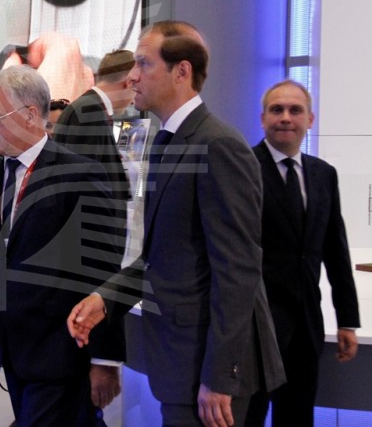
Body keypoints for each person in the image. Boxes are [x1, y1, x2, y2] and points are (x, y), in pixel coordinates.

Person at [67, 21, 285, 427]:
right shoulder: (169, 142)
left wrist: (219, 378)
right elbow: (162, 256)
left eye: (144, 64)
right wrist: (106, 299)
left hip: (209, 375)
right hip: (182, 365)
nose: (132, 76)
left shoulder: (217, 145)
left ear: (181, 71)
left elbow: (237, 272)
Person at [0, 65, 125, 426]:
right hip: (10, 349)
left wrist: (105, 359)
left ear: (29, 115)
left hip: (63, 351)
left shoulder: (80, 174)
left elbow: (102, 270)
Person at [245, 80, 359, 426]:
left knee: (297, 419)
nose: (285, 117)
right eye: (276, 110)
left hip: (306, 329)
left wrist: (347, 319)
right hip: (254, 329)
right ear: (262, 118)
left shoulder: (324, 174)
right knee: (247, 418)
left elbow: (335, 250)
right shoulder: (243, 168)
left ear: (310, 119)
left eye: (295, 110)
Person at [53, 49, 136, 200]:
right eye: (137, 87)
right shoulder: (90, 111)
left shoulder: (89, 107)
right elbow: (83, 184)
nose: (134, 101)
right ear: (128, 82)